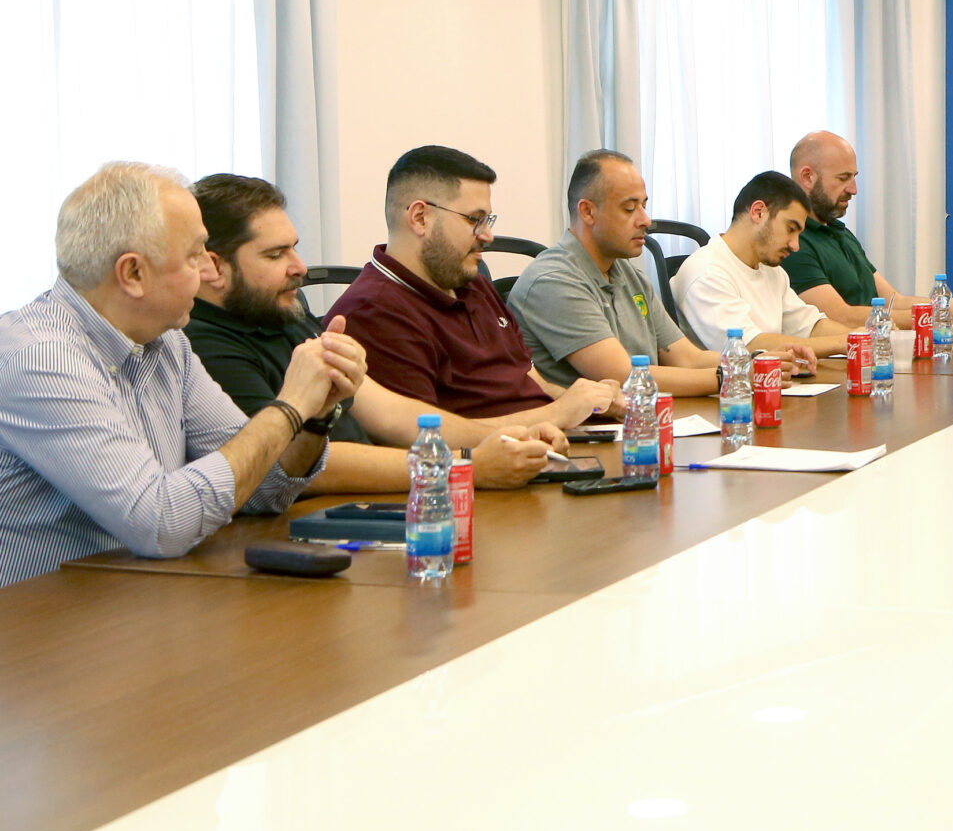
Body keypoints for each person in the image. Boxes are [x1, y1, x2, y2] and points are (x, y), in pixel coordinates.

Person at [0, 164, 354, 586]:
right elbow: (161, 524)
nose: (208, 271)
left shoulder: (167, 342)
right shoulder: (40, 359)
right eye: (194, 255)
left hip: (141, 597)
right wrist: (290, 406)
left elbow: (265, 488)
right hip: (47, 616)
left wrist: (315, 415)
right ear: (133, 273)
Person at [186, 173, 564, 493]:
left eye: (294, 250)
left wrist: (513, 435)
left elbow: (390, 414)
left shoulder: (281, 315)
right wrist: (465, 466)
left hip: (375, 501)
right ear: (213, 267)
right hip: (304, 528)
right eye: (275, 255)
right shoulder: (204, 346)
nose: (299, 267)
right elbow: (287, 468)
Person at [326, 146, 620, 425]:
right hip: (492, 459)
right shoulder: (374, 311)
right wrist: (558, 414)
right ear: (420, 218)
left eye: (487, 220)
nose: (488, 235)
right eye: (474, 220)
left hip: (549, 444)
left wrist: (590, 403)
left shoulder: (473, 283)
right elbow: (426, 439)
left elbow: (530, 383)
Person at [507, 150, 742, 400]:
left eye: (644, 206)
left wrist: (754, 363)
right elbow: (624, 377)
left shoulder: (629, 275)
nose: (646, 220)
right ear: (588, 212)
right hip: (589, 423)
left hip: (642, 416)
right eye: (629, 208)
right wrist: (730, 377)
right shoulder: (553, 281)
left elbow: (686, 357)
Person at [781, 130, 953, 328]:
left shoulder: (840, 233)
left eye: (854, 177)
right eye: (843, 178)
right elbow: (839, 316)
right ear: (807, 177)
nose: (853, 189)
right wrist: (939, 316)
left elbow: (894, 301)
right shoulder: (793, 244)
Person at [674, 171, 851, 358]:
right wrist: (841, 343)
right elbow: (748, 346)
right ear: (758, 212)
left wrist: (858, 336)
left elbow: (810, 326)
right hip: (734, 377)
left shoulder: (773, 272)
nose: (795, 245)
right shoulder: (706, 272)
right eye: (790, 229)